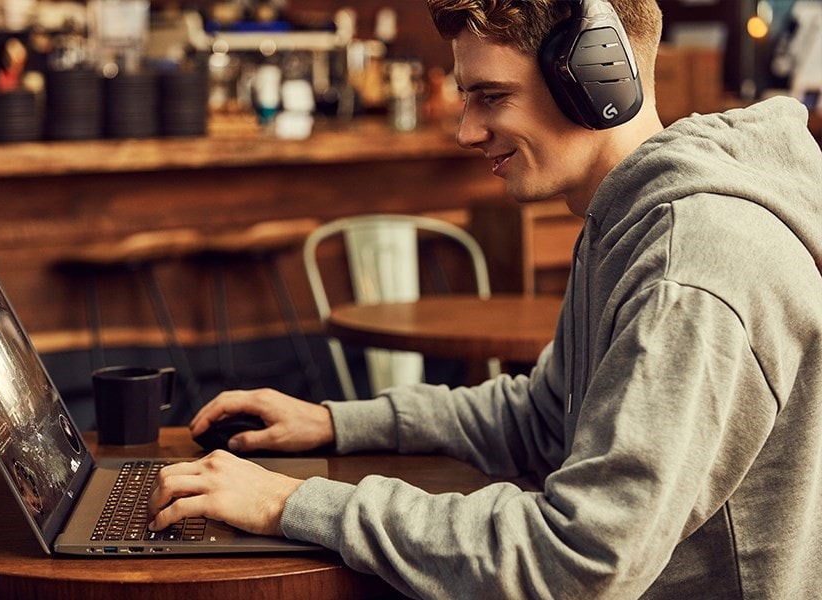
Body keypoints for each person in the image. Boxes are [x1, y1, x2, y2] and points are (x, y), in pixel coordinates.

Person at [148, 0, 822, 597]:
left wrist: (293, 505)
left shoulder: (692, 265)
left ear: (597, 81)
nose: (466, 131)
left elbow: (582, 560)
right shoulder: (625, 219)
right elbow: (544, 419)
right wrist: (334, 424)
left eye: (491, 97)